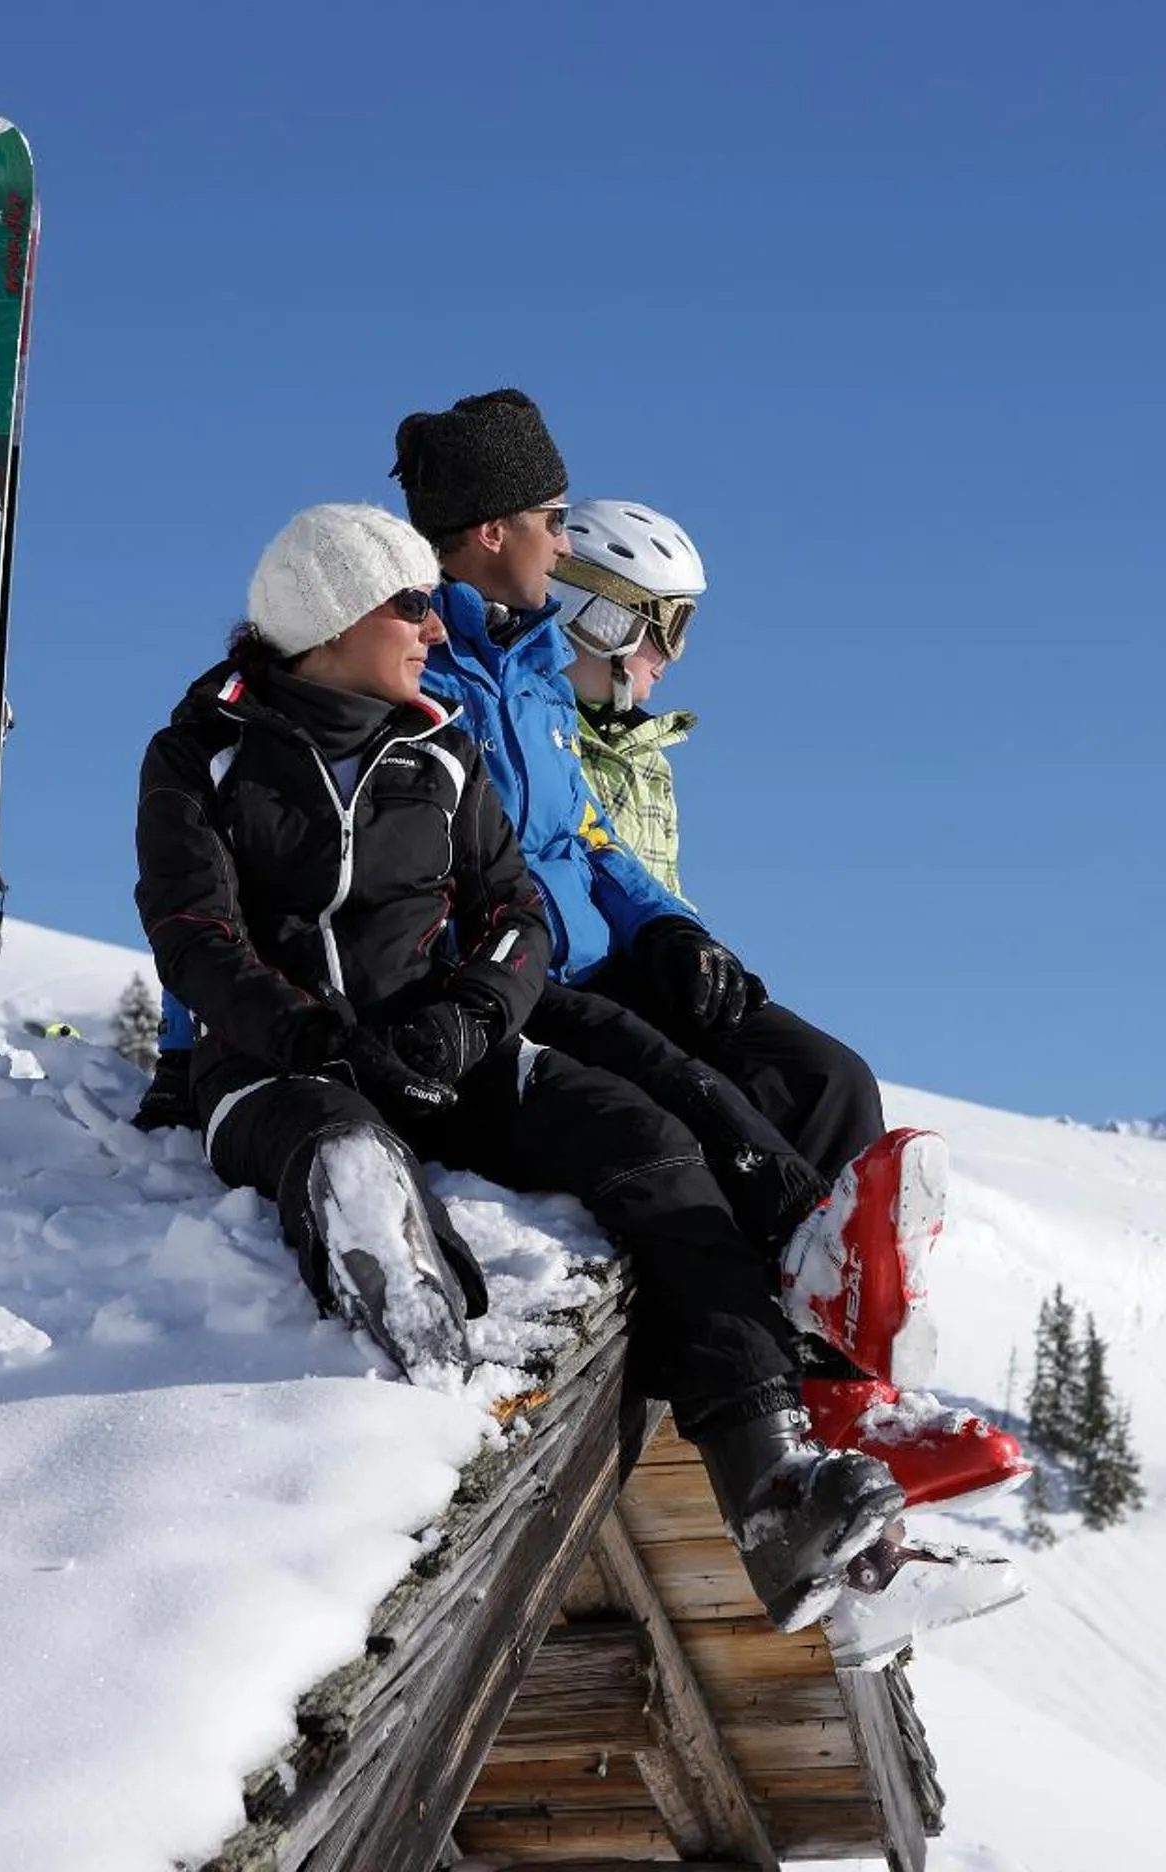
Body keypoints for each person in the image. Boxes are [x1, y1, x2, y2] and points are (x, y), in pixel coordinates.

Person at [133, 502, 903, 1631]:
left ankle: (773, 1479)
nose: (432, 629)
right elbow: (195, 937)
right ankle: (387, 1255)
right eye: (409, 607)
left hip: (441, 1049)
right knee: (332, 1137)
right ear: (335, 618)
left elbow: (514, 914)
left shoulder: (439, 746)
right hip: (281, 1065)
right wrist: (307, 1039)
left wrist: (471, 1016)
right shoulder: (206, 749)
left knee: (652, 1144)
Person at [389, 391, 1027, 1512]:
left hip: (598, 956)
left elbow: (584, 830)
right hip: (519, 978)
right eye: (549, 515)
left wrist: (670, 924)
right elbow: (465, 866)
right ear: (493, 529)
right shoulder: (424, 669)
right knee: (696, 1109)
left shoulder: (529, 664)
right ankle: (825, 1343)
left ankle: (852, 1380)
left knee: (823, 1075)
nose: (562, 532)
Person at [547, 498, 702, 893]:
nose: (672, 654)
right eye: (669, 628)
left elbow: (667, 892)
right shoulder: (532, 730)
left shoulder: (650, 762)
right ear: (607, 618)